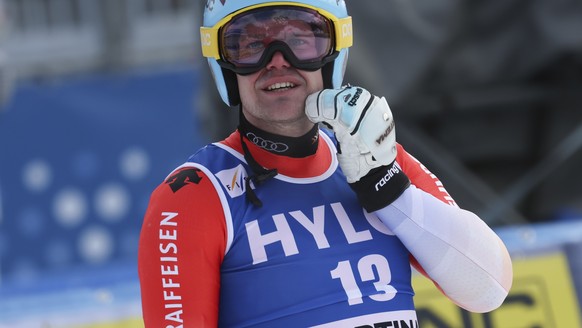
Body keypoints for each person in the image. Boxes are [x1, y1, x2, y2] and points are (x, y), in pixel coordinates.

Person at [138, 0, 513, 327]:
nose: (278, 62)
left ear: (333, 53)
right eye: (252, 46)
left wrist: (388, 190)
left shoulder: (378, 157)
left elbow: (488, 289)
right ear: (225, 67)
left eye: (301, 41)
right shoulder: (193, 196)